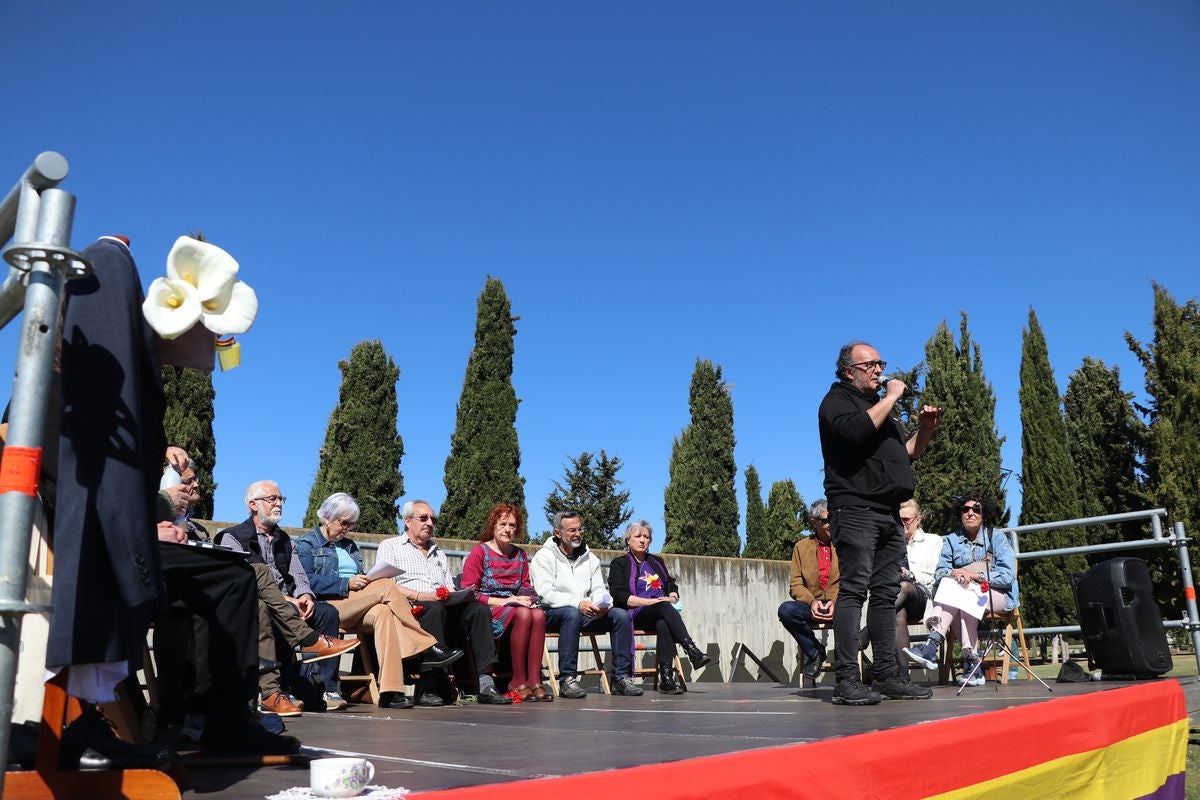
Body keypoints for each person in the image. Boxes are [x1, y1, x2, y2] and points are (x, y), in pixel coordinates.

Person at [818, 340, 942, 705]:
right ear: (848, 371)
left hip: (888, 512)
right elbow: (855, 433)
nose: (877, 369)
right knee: (854, 591)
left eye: (880, 363)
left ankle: (887, 675)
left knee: (887, 595)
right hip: (855, 510)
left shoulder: (880, 410)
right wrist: (891, 397)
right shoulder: (837, 402)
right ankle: (846, 680)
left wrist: (925, 429)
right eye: (869, 364)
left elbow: (905, 454)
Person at [296, 492, 464, 710]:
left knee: (384, 613)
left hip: (356, 603)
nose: (347, 528)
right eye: (344, 522)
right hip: (330, 605)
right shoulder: (307, 544)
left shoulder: (350, 546)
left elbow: (361, 577)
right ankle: (427, 646)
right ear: (327, 517)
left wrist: (365, 579)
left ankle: (390, 692)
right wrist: (345, 583)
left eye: (352, 524)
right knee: (386, 585)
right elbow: (306, 580)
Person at [216, 481, 345, 714]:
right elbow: (244, 580)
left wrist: (305, 594)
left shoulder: (285, 540)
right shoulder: (232, 537)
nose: (278, 503)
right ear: (253, 505)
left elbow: (298, 573)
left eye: (280, 499)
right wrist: (286, 600)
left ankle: (325, 688)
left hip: (289, 602)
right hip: (253, 603)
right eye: (271, 499)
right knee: (267, 608)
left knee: (327, 612)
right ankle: (281, 687)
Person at [377, 499, 513, 705]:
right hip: (411, 608)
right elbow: (386, 585)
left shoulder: (437, 551)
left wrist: (459, 594)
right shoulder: (391, 546)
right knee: (433, 609)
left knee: (479, 610)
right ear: (407, 521)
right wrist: (422, 596)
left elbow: (448, 586)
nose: (429, 523)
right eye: (423, 518)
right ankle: (428, 686)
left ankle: (486, 684)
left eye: (433, 519)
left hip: (442, 605)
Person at [903, 493, 1019, 686]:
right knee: (957, 590)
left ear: (984, 514)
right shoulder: (951, 540)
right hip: (965, 596)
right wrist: (955, 574)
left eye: (976, 509)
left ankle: (934, 646)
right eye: (965, 509)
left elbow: (1007, 577)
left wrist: (974, 576)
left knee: (963, 594)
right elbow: (940, 573)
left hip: (997, 594)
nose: (970, 513)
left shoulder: (996, 537)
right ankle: (972, 665)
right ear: (960, 513)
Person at [531, 511, 643, 698]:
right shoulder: (543, 557)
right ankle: (567, 679)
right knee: (571, 614)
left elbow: (599, 588)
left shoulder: (591, 559)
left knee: (621, 615)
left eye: (580, 529)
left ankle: (622, 677)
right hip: (552, 613)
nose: (577, 534)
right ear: (558, 533)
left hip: (585, 612)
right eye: (571, 530)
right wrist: (578, 603)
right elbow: (545, 594)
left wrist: (602, 603)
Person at [460, 503, 552, 702]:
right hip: (488, 609)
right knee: (524, 614)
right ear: (493, 525)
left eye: (512, 525)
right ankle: (517, 681)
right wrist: (504, 601)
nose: (507, 529)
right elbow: (469, 592)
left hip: (516, 606)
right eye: (502, 524)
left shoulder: (520, 555)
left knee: (538, 613)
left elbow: (526, 585)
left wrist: (528, 598)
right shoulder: (480, 552)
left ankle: (534, 681)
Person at [607, 520, 711, 695]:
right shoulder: (619, 563)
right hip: (635, 613)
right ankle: (692, 650)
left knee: (664, 623)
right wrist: (649, 602)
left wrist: (672, 596)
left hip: (660, 611)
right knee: (662, 608)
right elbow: (618, 596)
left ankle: (667, 680)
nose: (642, 540)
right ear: (628, 540)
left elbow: (671, 584)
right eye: (637, 536)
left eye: (646, 537)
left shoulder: (657, 561)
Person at [857, 498, 943, 680]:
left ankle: (867, 630)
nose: (902, 524)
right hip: (895, 599)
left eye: (906, 520)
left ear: (918, 519)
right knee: (898, 613)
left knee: (903, 587)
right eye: (899, 519)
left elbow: (936, 576)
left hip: (923, 597)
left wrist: (911, 575)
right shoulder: (889, 544)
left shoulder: (933, 541)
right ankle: (903, 676)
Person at [777, 500, 839, 683]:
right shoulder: (801, 547)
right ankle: (815, 652)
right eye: (827, 520)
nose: (831, 524)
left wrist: (835, 602)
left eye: (834, 519)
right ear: (814, 522)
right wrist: (812, 602)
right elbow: (795, 584)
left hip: (840, 602)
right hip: (812, 604)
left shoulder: (845, 544)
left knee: (850, 610)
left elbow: (852, 580)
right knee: (786, 610)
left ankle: (846, 665)